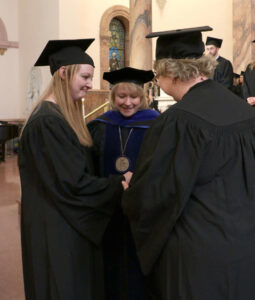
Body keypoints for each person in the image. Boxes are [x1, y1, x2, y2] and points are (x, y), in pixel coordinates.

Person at [122, 26, 255, 300]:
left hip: (198, 257)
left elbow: (156, 194)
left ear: (170, 71)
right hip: (245, 246)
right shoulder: (245, 112)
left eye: (157, 73)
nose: (157, 80)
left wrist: (131, 190)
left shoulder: (179, 122)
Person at [18, 39, 132, 300]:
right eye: (85, 76)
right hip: (57, 232)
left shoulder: (58, 117)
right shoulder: (48, 122)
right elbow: (73, 184)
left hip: (62, 225)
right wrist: (118, 184)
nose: (90, 84)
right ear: (63, 72)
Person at [87, 67, 160, 300]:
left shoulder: (157, 126)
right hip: (108, 209)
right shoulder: (100, 125)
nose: (128, 102)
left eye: (134, 97)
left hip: (142, 212)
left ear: (144, 97)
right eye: (121, 96)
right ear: (113, 97)